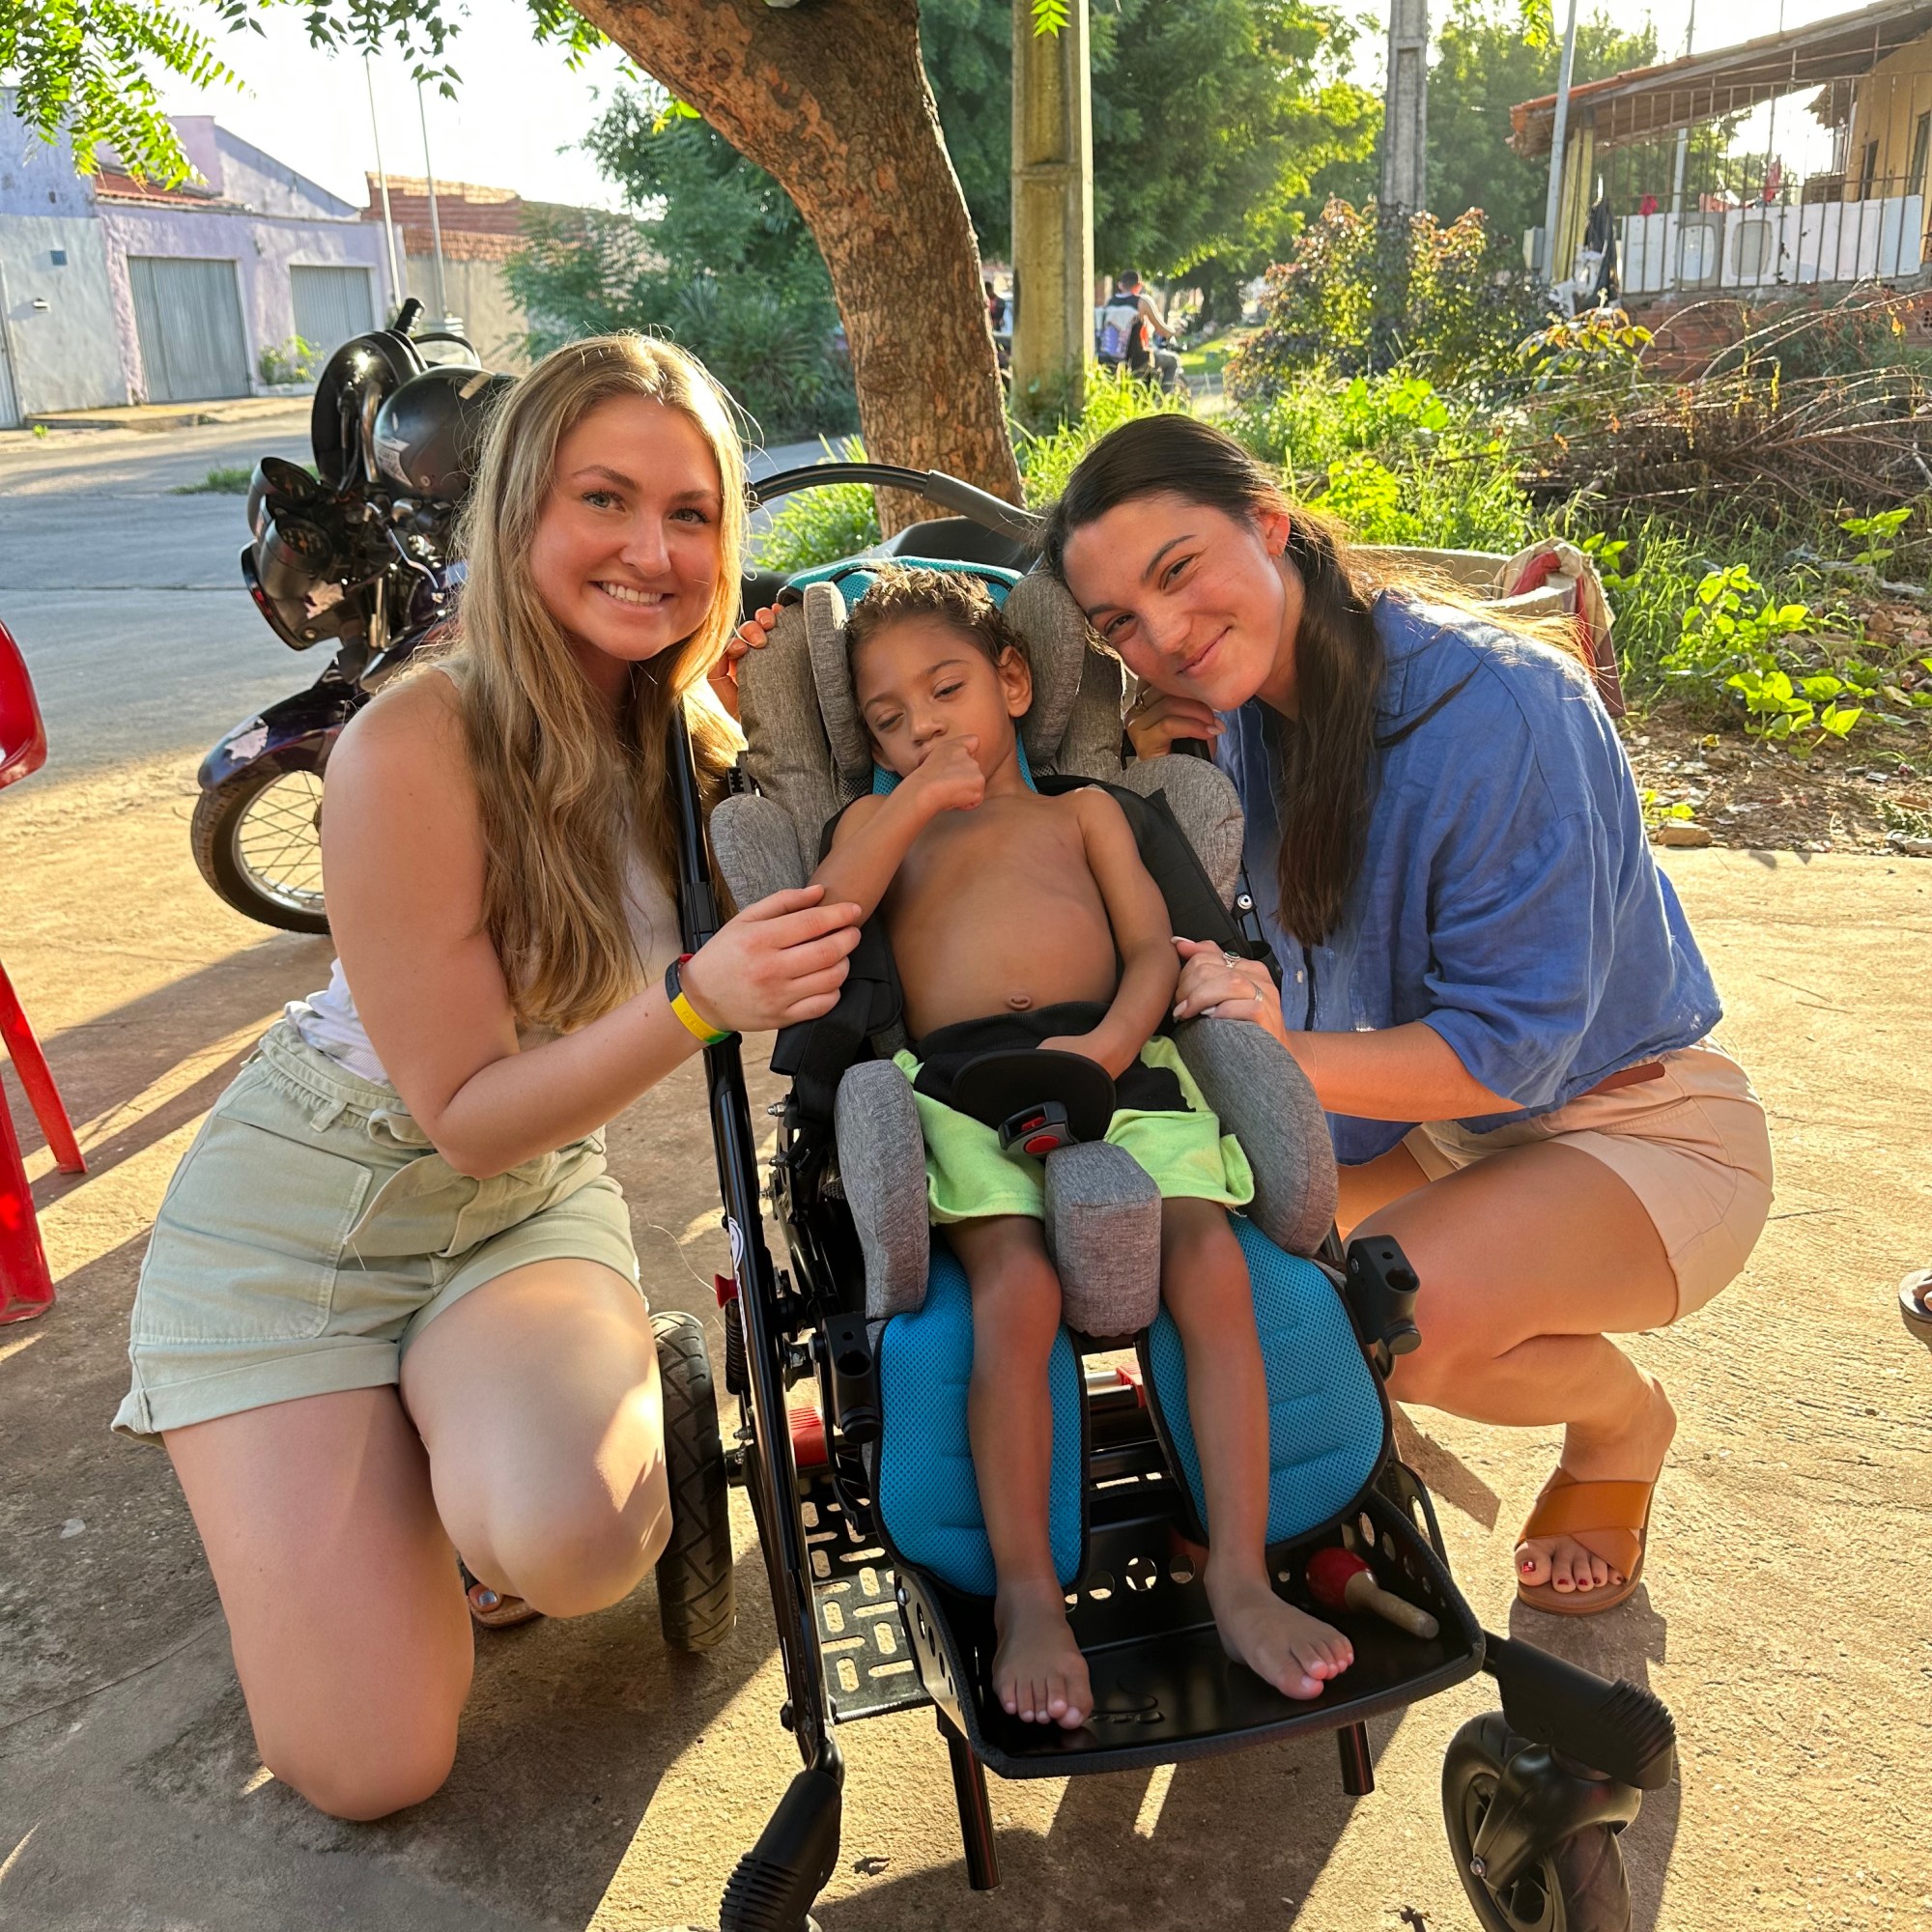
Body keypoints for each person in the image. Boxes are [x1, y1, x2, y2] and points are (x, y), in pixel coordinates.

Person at [114, 334, 864, 1820]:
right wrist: (696, 1004)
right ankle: (339, 1449)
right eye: (605, 499)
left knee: (575, 1546)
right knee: (373, 1768)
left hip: (515, 1211)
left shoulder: (694, 726)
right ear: (520, 509)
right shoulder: (415, 738)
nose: (653, 550)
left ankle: (470, 1441)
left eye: (692, 513)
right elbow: (460, 1114)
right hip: (298, 1230)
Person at [1041, 414, 1774, 1617]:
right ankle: (1319, 1441)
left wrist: (1281, 1051)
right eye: (1119, 620)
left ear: (1267, 523)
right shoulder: (1234, 720)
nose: (1161, 635)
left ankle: (1617, 1419)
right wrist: (1144, 776)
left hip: (1637, 1129)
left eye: (1178, 570)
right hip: (1432, 1132)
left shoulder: (1501, 709)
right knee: (1222, 1253)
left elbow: (1507, 1051)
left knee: (1392, 1318)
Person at [808, 566, 1353, 1728]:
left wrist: (1107, 1047)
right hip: (961, 1086)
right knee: (1015, 1290)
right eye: (888, 719)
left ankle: (1239, 1572)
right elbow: (831, 912)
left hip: (1116, 1063)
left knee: (1207, 1264)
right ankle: (1025, 1594)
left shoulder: (1082, 814)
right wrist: (907, 804)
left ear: (1011, 681)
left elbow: (1152, 950)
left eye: (945, 690)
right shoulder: (872, 829)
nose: (921, 727)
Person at [1096, 270, 1177, 382]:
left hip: (1113, 360)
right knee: (1173, 361)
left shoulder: (1110, 303)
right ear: (1139, 286)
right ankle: (1162, 393)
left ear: (1120, 285)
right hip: (1138, 360)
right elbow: (1161, 330)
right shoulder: (1142, 302)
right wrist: (1174, 331)